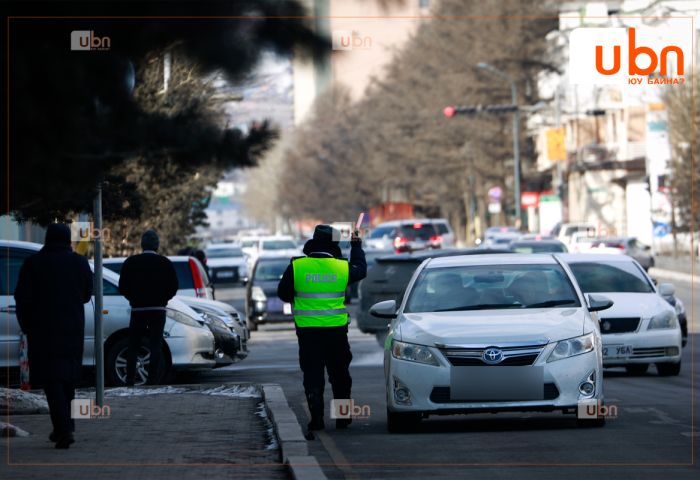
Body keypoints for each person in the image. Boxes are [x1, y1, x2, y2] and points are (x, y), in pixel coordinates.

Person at [277, 225, 367, 431]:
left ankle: (316, 419)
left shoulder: (297, 266)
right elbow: (361, 270)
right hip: (336, 331)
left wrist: (299, 299)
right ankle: (343, 418)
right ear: (334, 245)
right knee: (340, 374)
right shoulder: (341, 267)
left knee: (313, 373)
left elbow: (282, 293)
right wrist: (356, 247)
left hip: (308, 332)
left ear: (314, 242)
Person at [14, 223, 93, 449]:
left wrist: (26, 326)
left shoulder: (33, 263)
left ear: (47, 240)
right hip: (73, 328)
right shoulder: (79, 262)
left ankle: (64, 429)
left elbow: (23, 299)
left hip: (43, 329)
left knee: (52, 380)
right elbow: (87, 294)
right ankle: (65, 428)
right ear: (69, 241)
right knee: (68, 379)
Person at [118, 230, 178, 386]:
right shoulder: (165, 263)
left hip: (138, 310)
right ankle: (152, 379)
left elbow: (123, 287)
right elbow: (173, 287)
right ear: (157, 245)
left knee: (134, 345)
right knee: (156, 345)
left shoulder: (130, 262)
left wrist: (134, 298)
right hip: (158, 310)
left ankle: (130, 379)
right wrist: (163, 299)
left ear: (142, 245)